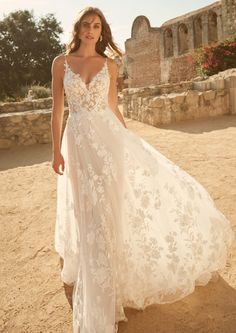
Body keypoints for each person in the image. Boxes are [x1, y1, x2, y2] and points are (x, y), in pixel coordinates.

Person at [50, 6, 235, 333]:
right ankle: (98, 282)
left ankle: (113, 282)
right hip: (77, 146)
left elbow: (112, 107)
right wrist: (55, 152)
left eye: (97, 26)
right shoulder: (60, 64)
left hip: (109, 145)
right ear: (77, 29)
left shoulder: (110, 64)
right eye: (86, 25)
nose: (91, 31)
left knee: (112, 211)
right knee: (88, 213)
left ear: (101, 30)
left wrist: (129, 141)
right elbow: (57, 111)